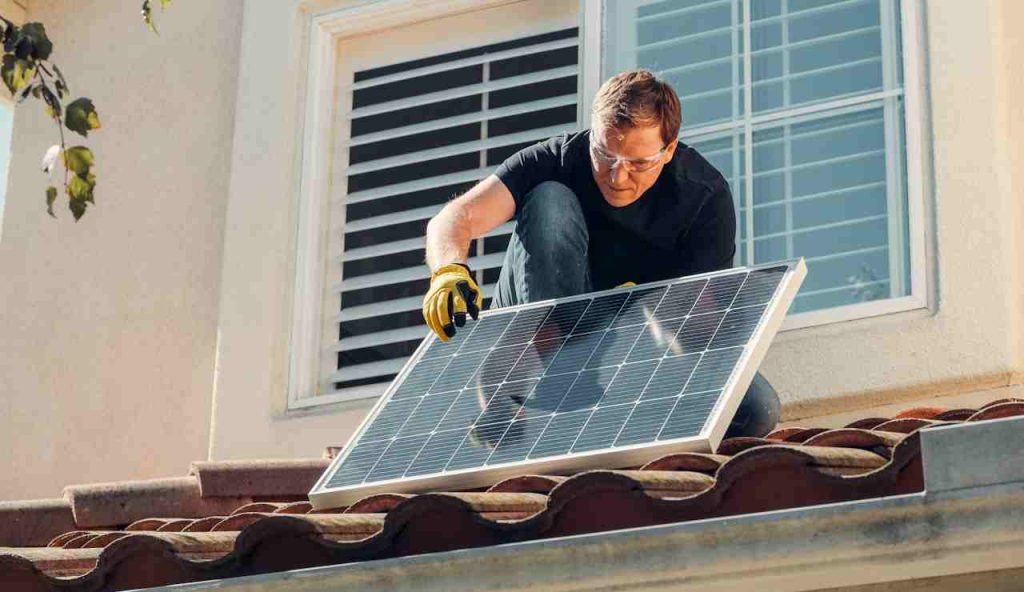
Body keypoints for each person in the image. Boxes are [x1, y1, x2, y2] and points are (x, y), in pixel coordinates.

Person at [421, 69, 779, 439]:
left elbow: (703, 329)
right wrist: (448, 270)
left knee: (755, 410)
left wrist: (649, 325)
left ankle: (609, 395)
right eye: (604, 154)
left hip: (634, 344)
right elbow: (454, 218)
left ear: (669, 150)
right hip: (547, 332)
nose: (617, 176)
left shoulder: (703, 198)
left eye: (638, 163)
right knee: (549, 198)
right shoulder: (557, 159)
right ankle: (549, 369)